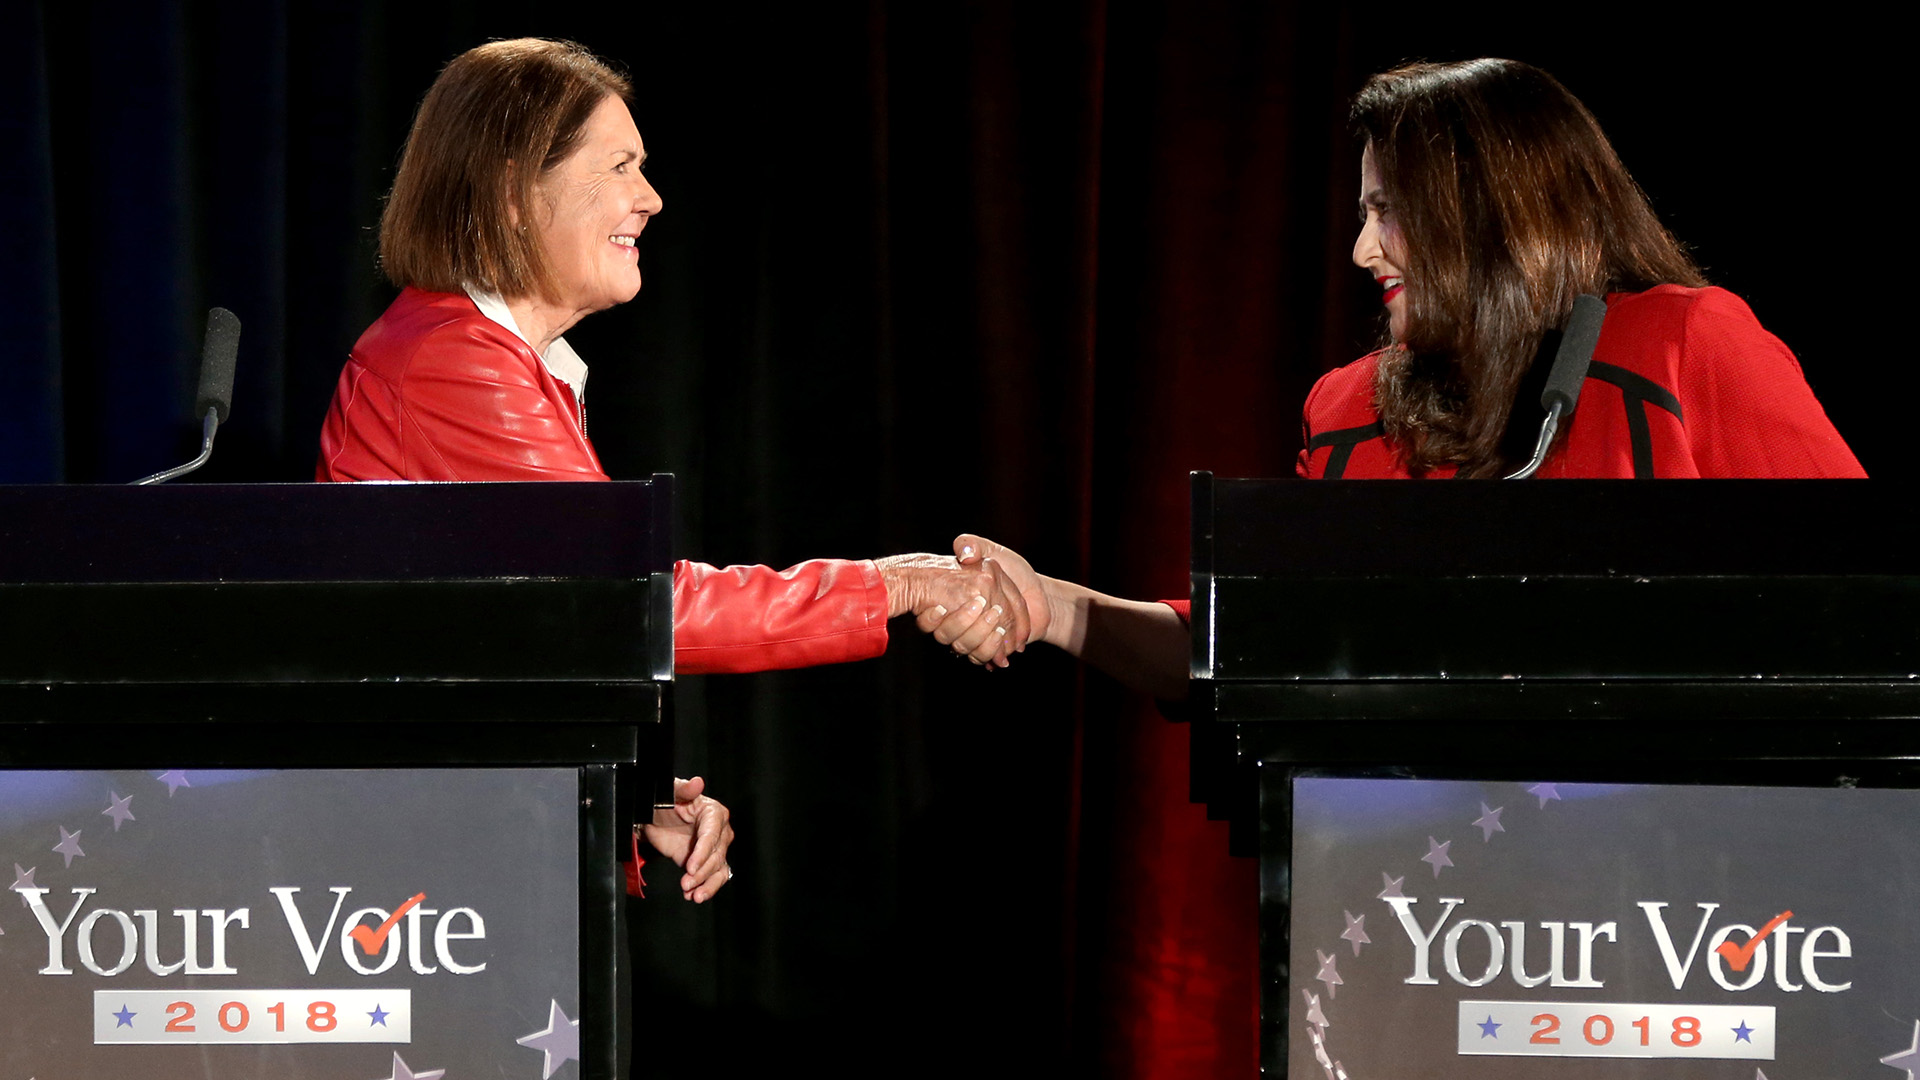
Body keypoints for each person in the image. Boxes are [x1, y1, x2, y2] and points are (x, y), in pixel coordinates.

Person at [314, 39, 1035, 900]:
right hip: (424, 891)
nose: (650, 199)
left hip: (460, 860)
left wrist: (618, 802)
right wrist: (900, 585)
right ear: (512, 192)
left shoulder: (488, 359)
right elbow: (635, 604)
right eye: (619, 165)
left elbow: (514, 637)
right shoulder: (452, 363)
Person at [927, 57, 1865, 692]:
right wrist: (1052, 607)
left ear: (1499, 213)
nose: (1361, 248)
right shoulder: (1347, 408)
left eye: (1391, 210)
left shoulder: (1686, 343)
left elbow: (1866, 612)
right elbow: (1252, 644)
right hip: (1422, 914)